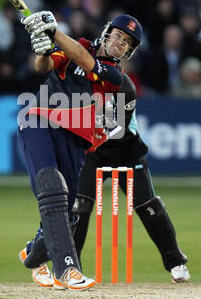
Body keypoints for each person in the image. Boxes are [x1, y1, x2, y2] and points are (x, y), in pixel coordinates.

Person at [17, 10, 143, 290]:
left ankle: (33, 256)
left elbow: (86, 62)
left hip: (76, 139)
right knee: (50, 184)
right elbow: (44, 65)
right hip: (39, 119)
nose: (120, 43)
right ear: (107, 32)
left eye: (127, 43)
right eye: (119, 36)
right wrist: (44, 49)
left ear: (129, 52)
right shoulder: (79, 45)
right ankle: (67, 270)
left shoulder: (115, 76)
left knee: (68, 212)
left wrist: (55, 34)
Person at [72, 78, 190, 284]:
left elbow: (118, 130)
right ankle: (70, 266)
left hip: (127, 151)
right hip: (93, 153)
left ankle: (175, 262)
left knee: (148, 206)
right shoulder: (81, 82)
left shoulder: (123, 85)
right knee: (79, 205)